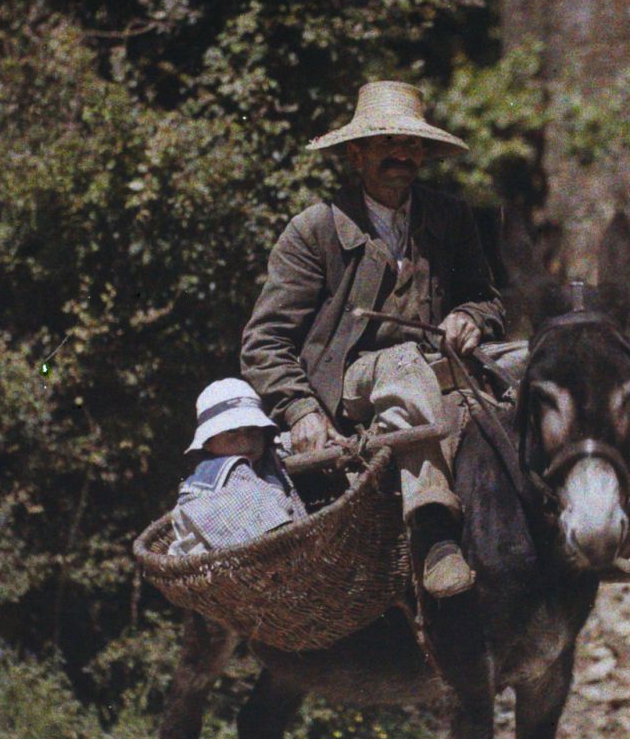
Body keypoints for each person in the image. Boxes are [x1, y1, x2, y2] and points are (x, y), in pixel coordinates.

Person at [239, 81, 502, 597]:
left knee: (538, 366)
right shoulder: (314, 230)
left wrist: (472, 315)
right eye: (387, 143)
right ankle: (433, 530)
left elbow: (487, 298)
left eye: (412, 145)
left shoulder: (449, 218)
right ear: (356, 154)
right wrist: (301, 410)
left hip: (442, 367)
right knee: (401, 362)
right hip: (352, 384)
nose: (402, 155)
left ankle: (585, 530)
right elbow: (264, 341)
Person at [169, 378, 308, 557]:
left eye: (253, 430)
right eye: (231, 432)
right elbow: (276, 539)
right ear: (208, 443)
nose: (245, 440)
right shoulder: (218, 473)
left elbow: (291, 443)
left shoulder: (264, 456)